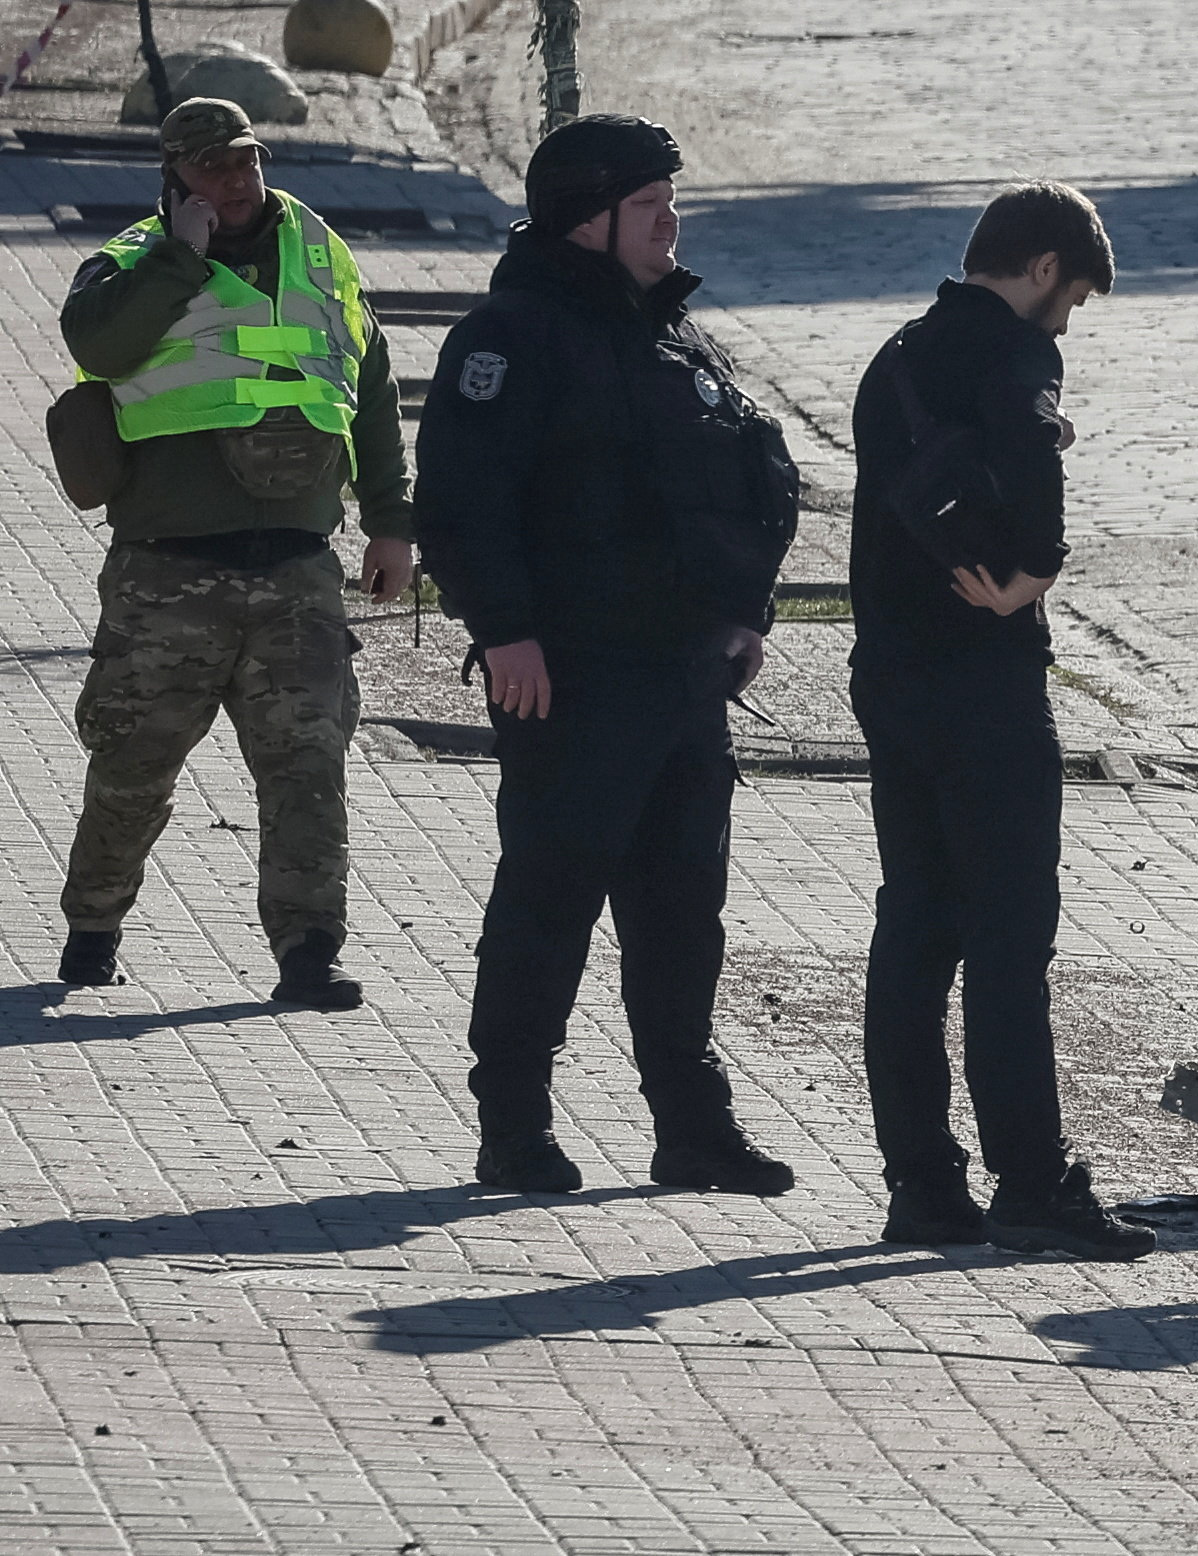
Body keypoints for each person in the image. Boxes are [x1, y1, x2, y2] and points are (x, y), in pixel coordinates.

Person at [416, 114, 800, 1197]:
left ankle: (692, 1128)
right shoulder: (511, 337)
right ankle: (514, 1126)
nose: (670, 224)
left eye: (671, 204)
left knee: (682, 914)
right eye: (647, 206)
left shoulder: (671, 334)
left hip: (684, 677)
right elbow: (461, 503)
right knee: (548, 904)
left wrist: (746, 614)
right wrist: (503, 632)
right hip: (570, 677)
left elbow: (750, 482)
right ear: (585, 220)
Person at [848, 182, 1153, 1261]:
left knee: (913, 928)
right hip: (984, 679)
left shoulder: (896, 356)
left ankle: (921, 1184)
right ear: (1042, 269)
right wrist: (1036, 570)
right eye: (1071, 300)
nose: (1066, 323)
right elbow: (1025, 455)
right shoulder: (1017, 354)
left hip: (890, 670)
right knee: (1009, 941)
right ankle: (1030, 1181)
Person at [55, 96, 412, 1008]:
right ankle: (92, 927)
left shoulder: (321, 251)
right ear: (174, 178)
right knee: (133, 766)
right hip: (168, 567)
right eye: (211, 167)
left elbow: (368, 381)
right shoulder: (131, 261)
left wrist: (391, 519)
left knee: (309, 767)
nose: (235, 180)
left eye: (245, 160)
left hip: (297, 565)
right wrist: (182, 256)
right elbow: (98, 344)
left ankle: (309, 951)